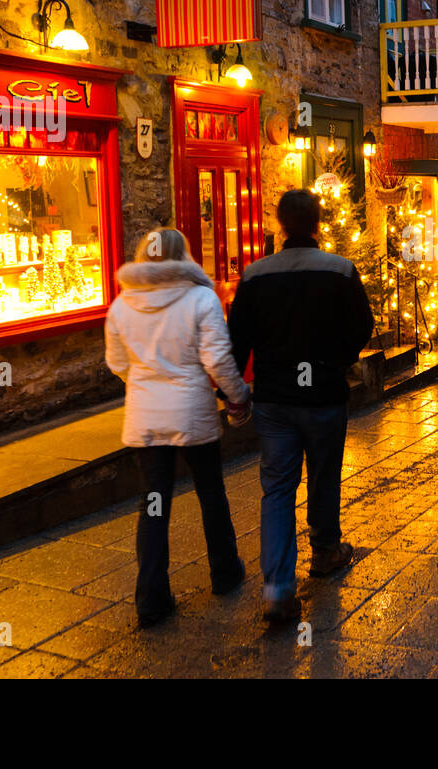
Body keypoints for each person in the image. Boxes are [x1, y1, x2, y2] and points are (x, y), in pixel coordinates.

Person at [228, 189, 374, 624]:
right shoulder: (340, 270)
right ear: (317, 223)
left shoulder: (255, 276)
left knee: (277, 488)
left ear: (280, 224)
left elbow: (236, 339)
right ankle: (325, 550)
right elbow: (362, 327)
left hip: (274, 398)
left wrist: (236, 391)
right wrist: (338, 361)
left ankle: (277, 588)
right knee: (324, 475)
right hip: (323, 394)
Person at [105, 228, 250, 629]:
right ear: (182, 255)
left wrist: (146, 385)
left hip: (146, 417)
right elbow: (218, 359)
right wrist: (237, 397)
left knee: (154, 503)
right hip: (192, 413)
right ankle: (224, 571)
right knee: (210, 492)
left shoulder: (122, 305)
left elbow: (117, 363)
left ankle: (151, 597)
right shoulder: (200, 298)